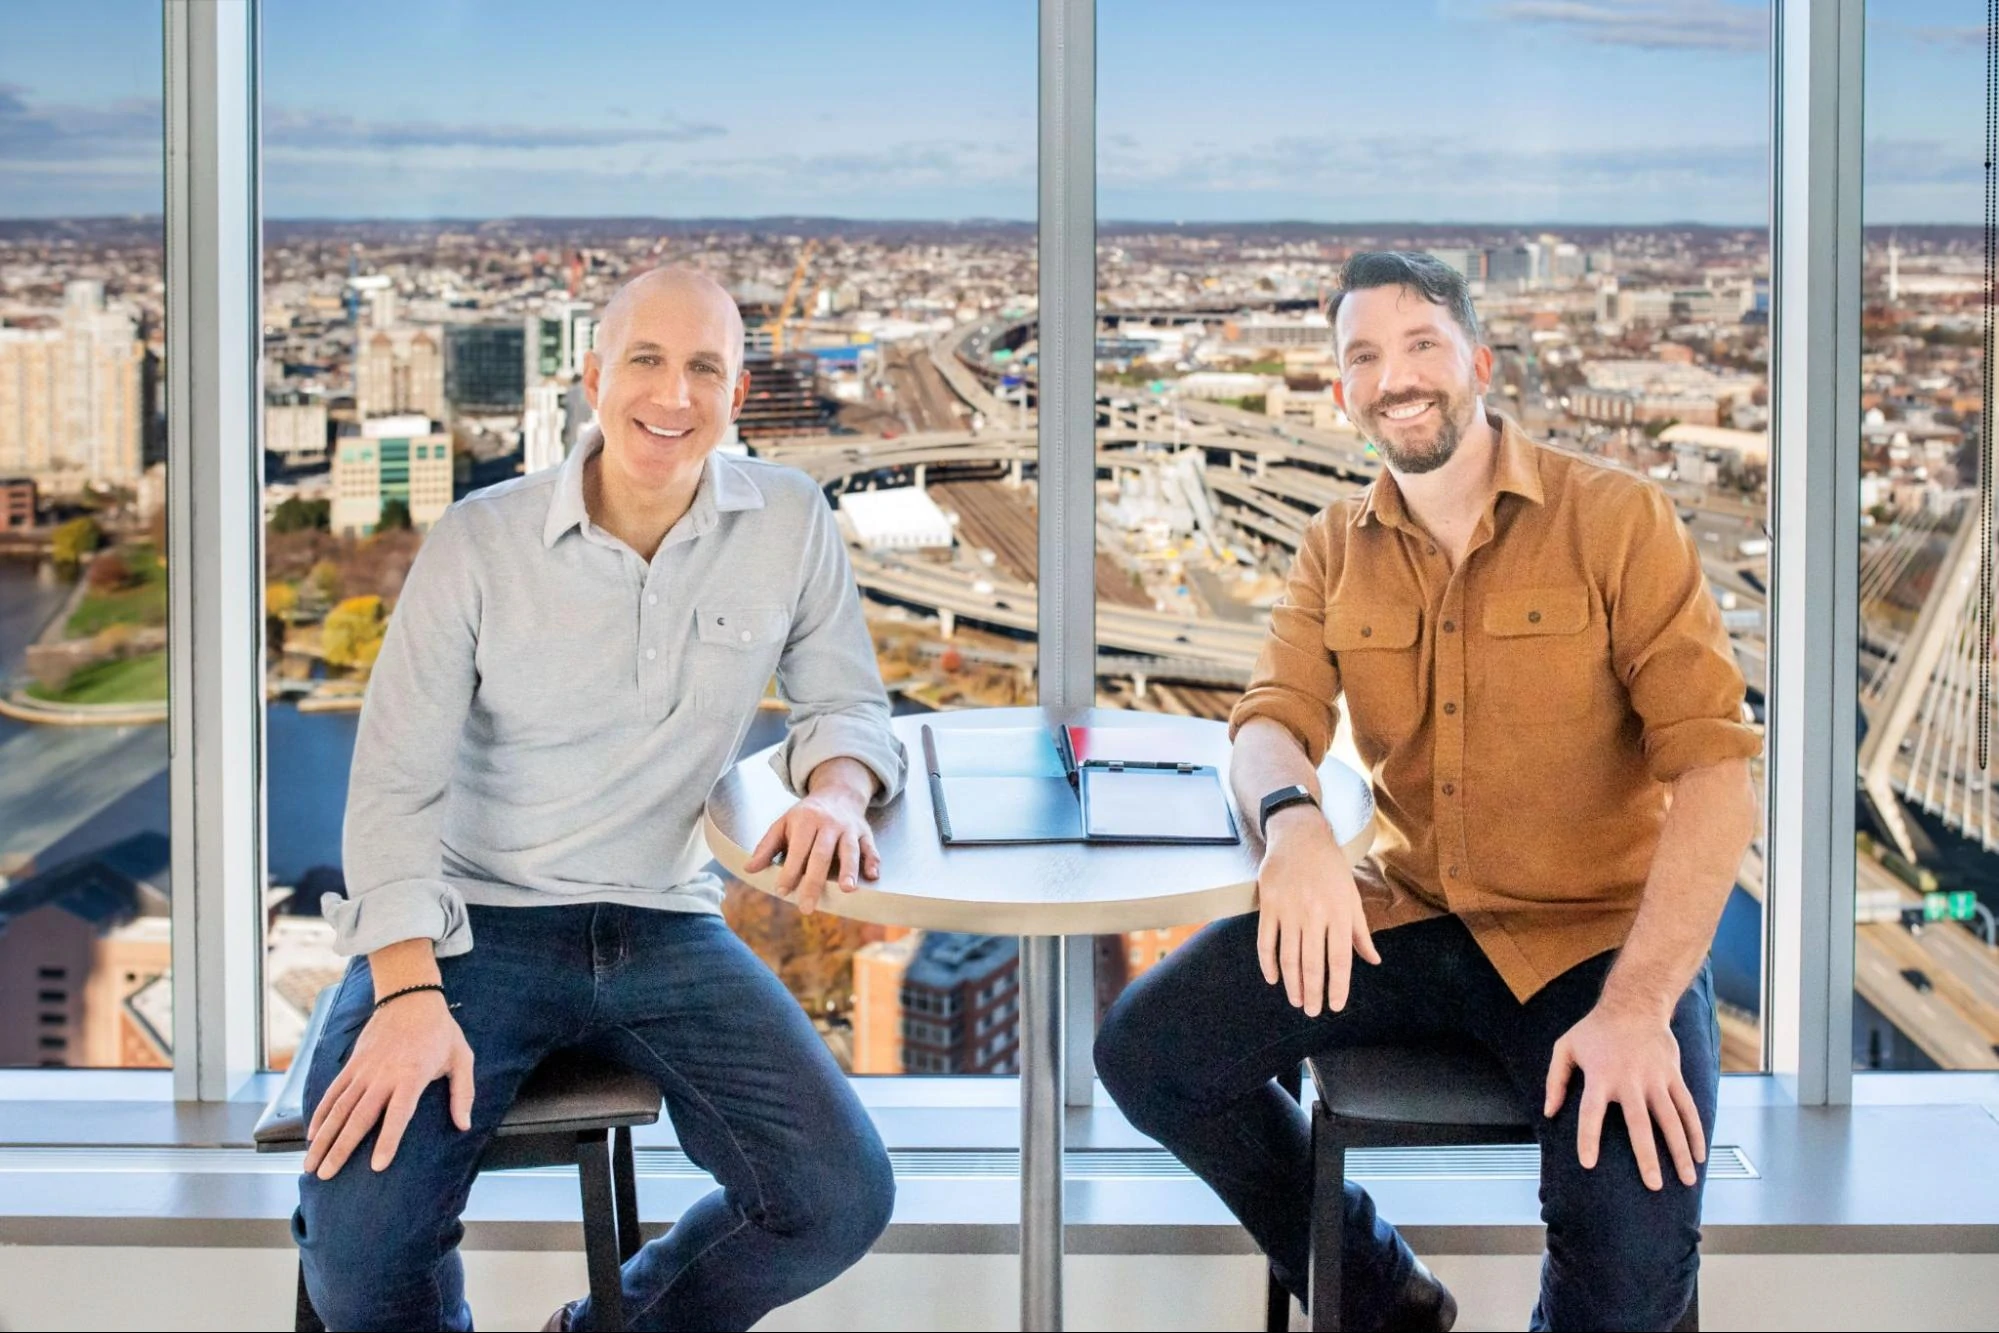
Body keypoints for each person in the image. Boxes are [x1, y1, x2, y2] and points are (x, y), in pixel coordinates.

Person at [1095, 252, 1761, 1332]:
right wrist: (1294, 821)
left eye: (1420, 346)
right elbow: (1269, 720)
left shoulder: (1616, 520)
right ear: (1341, 392)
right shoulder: (1332, 545)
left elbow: (1718, 776)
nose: (1394, 378)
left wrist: (1639, 1009)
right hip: (1409, 920)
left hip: (1597, 947)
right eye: (1364, 357)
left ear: (1479, 362)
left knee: (1626, 1291)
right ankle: (1379, 1292)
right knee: (1148, 1052)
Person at [293, 267, 906, 1332]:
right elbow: (393, 782)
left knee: (837, 1198)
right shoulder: (481, 541)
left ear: (738, 392)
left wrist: (840, 794)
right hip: (468, 925)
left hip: (664, 919)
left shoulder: (790, 520)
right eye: (646, 361)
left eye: (703, 368)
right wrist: (403, 992)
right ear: (591, 376)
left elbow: (846, 703)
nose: (673, 396)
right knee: (359, 1252)